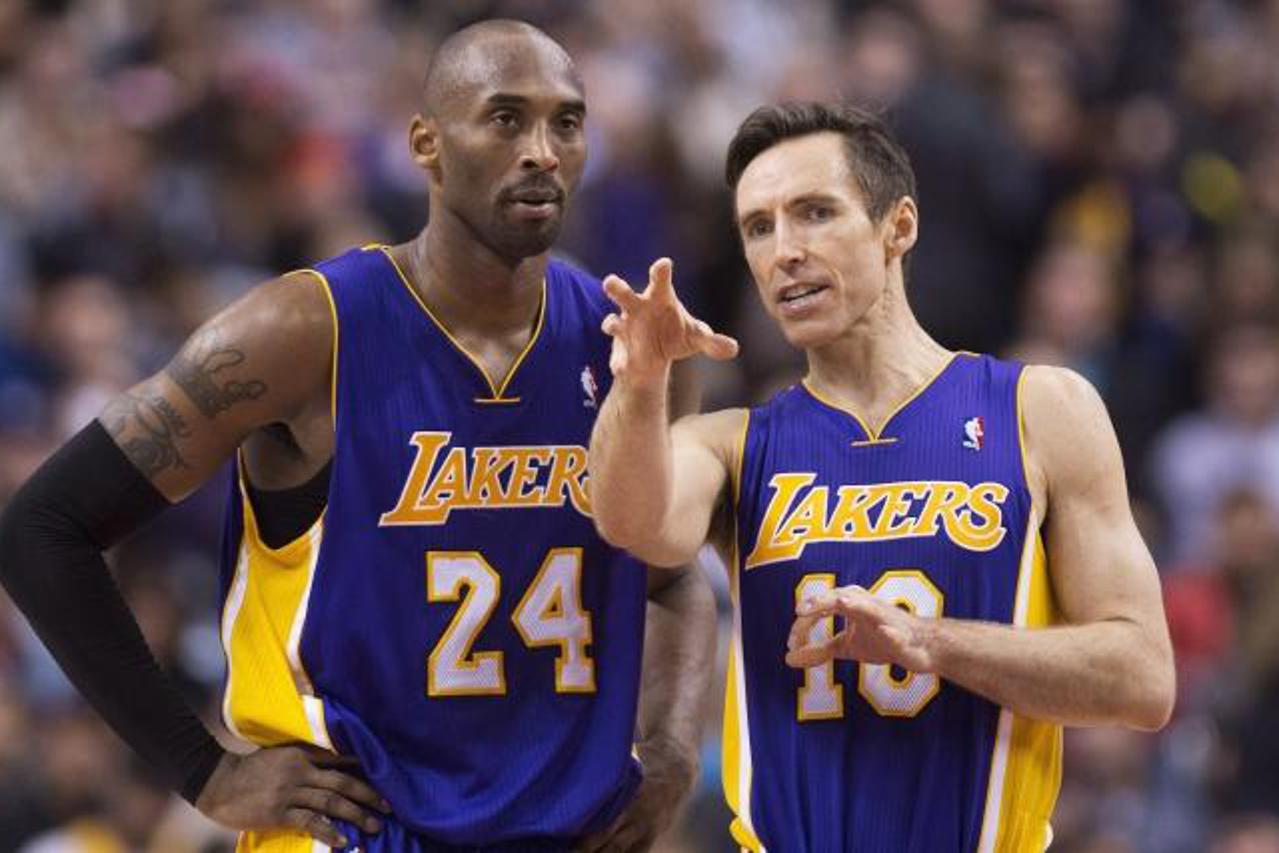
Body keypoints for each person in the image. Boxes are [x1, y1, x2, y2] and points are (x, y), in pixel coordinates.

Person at [0, 19, 715, 853]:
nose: (542, 150)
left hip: (557, 832)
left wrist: (667, 748)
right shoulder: (304, 330)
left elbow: (671, 578)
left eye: (566, 121)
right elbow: (42, 527)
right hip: (358, 832)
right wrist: (202, 769)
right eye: (505, 117)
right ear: (425, 144)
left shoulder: (622, 340)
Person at [587, 102, 1175, 852]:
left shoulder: (1040, 409)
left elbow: (1142, 678)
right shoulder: (735, 443)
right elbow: (631, 521)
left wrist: (928, 642)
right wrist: (639, 384)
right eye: (758, 228)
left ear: (898, 226)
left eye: (814, 213)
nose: (784, 250)